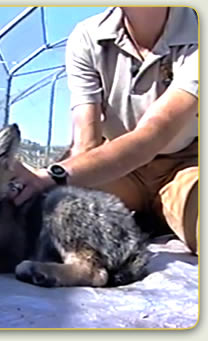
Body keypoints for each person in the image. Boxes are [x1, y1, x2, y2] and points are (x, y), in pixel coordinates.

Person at [11, 7, 199, 254]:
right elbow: (86, 144)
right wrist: (40, 182)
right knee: (31, 206)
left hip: (185, 166)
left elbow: (153, 134)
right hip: (117, 170)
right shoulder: (88, 36)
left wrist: (51, 176)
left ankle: (158, 216)